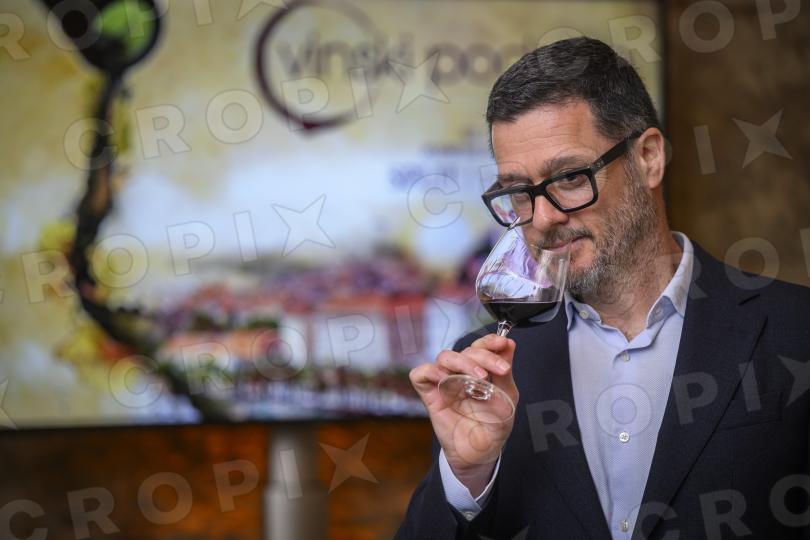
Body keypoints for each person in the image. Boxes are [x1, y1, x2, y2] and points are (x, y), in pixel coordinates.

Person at [396, 37, 810, 539]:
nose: (542, 219)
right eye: (519, 192)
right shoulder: (482, 368)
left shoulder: (796, 331)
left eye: (570, 177)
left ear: (649, 158)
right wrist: (467, 476)